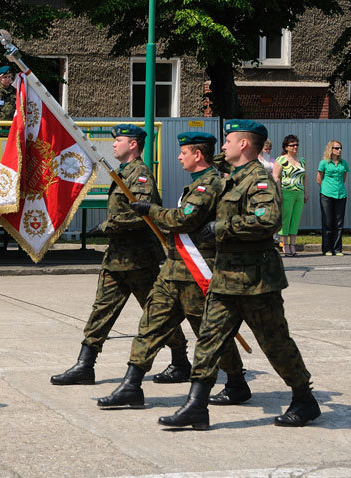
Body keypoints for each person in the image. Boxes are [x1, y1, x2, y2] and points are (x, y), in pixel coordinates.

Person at [159, 119, 320, 430]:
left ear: (244, 145)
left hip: (256, 281)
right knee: (209, 339)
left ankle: (304, 399)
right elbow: (214, 158)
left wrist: (222, 227)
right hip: (226, 277)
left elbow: (269, 219)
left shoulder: (258, 179)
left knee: (275, 343)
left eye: (229, 140)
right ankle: (196, 405)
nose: (223, 146)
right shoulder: (234, 176)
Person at [97, 132, 249, 410]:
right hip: (174, 270)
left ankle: (237, 383)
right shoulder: (196, 184)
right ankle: (131, 385)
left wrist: (151, 211)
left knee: (210, 332)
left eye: (184, 152)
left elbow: (184, 219)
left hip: (196, 272)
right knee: (150, 326)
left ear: (197, 155)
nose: (179, 157)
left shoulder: (210, 184)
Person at [50, 124, 189, 386]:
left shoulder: (141, 175)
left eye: (120, 140)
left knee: (158, 313)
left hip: (139, 261)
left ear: (133, 144)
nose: (114, 144)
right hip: (116, 259)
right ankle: (85, 365)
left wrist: (105, 226)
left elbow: (143, 214)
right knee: (101, 311)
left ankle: (181, 361)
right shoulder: (122, 173)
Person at [273, 135, 308, 257]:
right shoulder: (281, 160)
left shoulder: (302, 160)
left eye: (297, 144)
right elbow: (276, 177)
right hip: (286, 191)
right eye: (292, 145)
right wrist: (279, 193)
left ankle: (293, 244)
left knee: (296, 218)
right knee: (286, 219)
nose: (295, 147)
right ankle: (285, 244)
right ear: (286, 147)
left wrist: (305, 192)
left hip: (299, 192)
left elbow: (304, 177)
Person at [318, 140, 349, 256]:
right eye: (336, 148)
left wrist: (337, 188)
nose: (339, 150)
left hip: (341, 194)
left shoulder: (343, 163)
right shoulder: (324, 163)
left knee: (339, 223)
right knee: (327, 221)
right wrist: (326, 189)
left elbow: (343, 178)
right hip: (326, 194)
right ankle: (327, 249)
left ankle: (337, 249)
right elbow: (319, 178)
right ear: (330, 149)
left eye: (340, 148)